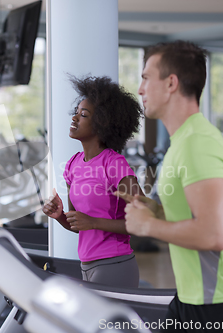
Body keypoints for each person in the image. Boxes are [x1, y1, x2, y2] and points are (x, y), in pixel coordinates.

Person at [117, 41, 223, 332]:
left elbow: (214, 234)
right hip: (194, 298)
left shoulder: (197, 143)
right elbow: (193, 216)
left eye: (146, 77)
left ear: (171, 83)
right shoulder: (183, 142)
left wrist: (148, 226)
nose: (140, 89)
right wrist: (154, 210)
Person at [42, 75, 143, 288]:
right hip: (86, 265)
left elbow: (145, 221)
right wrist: (59, 216)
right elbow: (79, 225)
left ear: (101, 123)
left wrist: (94, 222)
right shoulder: (72, 165)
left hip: (115, 265)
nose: (75, 119)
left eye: (84, 115)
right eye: (76, 113)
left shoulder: (114, 164)